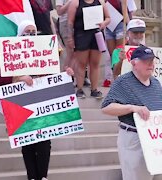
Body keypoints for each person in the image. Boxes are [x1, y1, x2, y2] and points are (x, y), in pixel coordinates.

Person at [13, 20, 74, 180]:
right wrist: (20, 77)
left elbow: (52, 73)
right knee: (27, 143)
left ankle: (43, 176)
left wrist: (65, 74)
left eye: (33, 32)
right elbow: (8, 79)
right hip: (22, 102)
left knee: (44, 142)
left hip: (43, 101)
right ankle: (32, 176)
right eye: (27, 32)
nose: (31, 35)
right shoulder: (13, 52)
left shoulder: (45, 49)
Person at [102, 45, 162, 180]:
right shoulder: (123, 82)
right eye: (147, 61)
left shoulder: (156, 83)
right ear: (135, 63)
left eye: (153, 61)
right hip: (133, 137)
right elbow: (106, 107)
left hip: (155, 138)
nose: (151, 64)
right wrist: (133, 108)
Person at [67, 0, 110, 99]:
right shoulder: (75, 3)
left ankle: (94, 89)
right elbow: (70, 21)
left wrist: (104, 23)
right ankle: (80, 89)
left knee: (95, 63)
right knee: (81, 63)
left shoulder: (100, 2)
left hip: (97, 35)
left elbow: (108, 18)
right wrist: (70, 37)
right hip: (81, 35)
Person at [102, 0, 137, 87]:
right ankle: (114, 78)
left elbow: (126, 11)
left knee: (120, 51)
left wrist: (130, 26)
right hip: (109, 26)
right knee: (113, 54)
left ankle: (121, 77)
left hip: (120, 24)